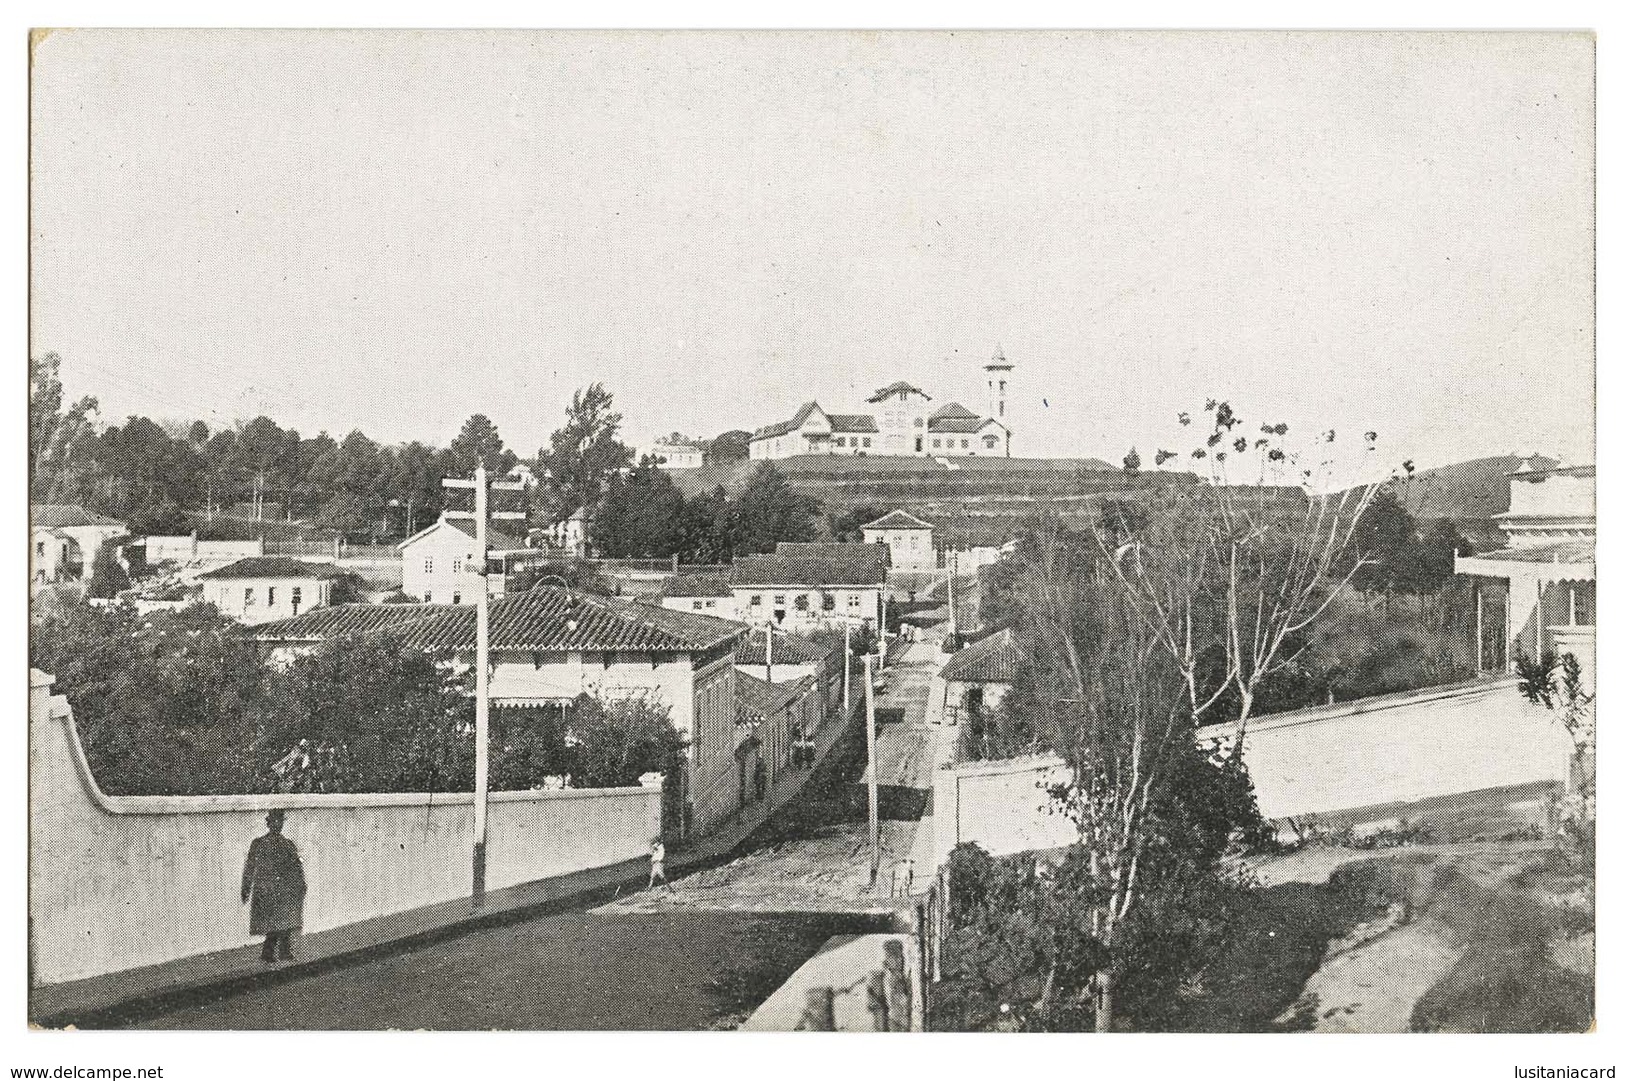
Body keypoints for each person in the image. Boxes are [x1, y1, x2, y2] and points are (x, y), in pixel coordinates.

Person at [241, 809, 306, 963]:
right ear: (269, 824)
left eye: (280, 821)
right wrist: (246, 888)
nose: (278, 825)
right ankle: (269, 952)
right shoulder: (259, 843)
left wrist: (301, 883)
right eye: (274, 821)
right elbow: (250, 866)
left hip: (285, 889)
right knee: (273, 923)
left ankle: (283, 951)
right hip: (267, 890)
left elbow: (297, 866)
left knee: (286, 920)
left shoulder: (288, 844)